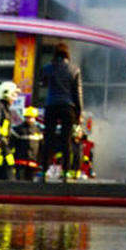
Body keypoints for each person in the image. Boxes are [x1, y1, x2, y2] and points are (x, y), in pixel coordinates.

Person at [39, 43, 82, 182]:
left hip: (51, 105)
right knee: (66, 139)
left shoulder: (47, 68)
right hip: (68, 107)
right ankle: (66, 172)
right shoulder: (74, 69)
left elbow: (43, 83)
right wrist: (79, 111)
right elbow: (78, 93)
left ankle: (44, 170)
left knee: (48, 138)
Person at [11, 106, 43, 181]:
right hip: (20, 161)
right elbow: (12, 144)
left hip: (33, 162)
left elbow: (41, 147)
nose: (29, 119)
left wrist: (40, 161)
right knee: (20, 181)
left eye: (31, 117)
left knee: (30, 183)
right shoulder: (18, 130)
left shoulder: (38, 131)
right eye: (27, 117)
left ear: (35, 118)